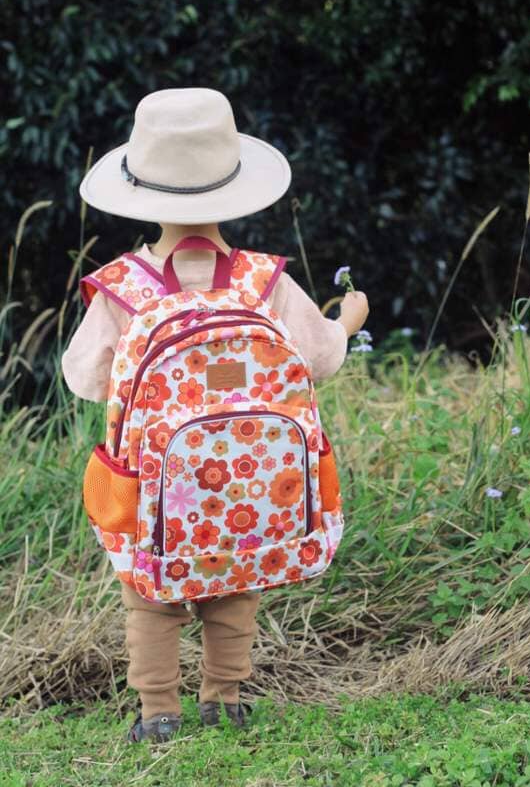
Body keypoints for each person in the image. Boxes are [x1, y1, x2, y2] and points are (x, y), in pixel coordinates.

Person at [61, 87, 369, 743]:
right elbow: (319, 358)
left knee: (150, 598)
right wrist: (349, 318)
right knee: (236, 590)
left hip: (154, 493)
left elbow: (83, 377)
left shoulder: (121, 288)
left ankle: (157, 712)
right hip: (254, 490)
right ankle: (224, 699)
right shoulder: (266, 279)